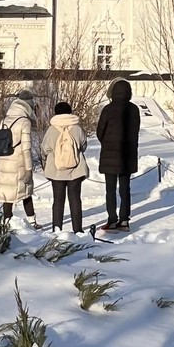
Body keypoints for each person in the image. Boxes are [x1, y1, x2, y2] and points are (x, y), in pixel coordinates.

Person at [95, 79, 140, 231]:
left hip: (109, 155)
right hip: (128, 155)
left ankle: (112, 220)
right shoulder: (134, 109)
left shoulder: (108, 109)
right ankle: (125, 220)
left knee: (110, 190)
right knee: (125, 189)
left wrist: (107, 143)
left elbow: (100, 132)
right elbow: (135, 131)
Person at [0, 89, 38, 226]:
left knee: (7, 194)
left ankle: (6, 221)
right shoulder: (24, 122)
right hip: (18, 163)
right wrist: (29, 169)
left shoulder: (4, 120)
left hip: (3, 161)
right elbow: (26, 149)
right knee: (26, 192)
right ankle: (32, 221)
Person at [41, 100, 88, 234]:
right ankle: (78, 230)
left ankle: (57, 229)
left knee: (58, 200)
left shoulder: (51, 129)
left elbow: (45, 148)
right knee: (75, 200)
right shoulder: (77, 128)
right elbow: (83, 146)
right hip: (76, 170)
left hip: (56, 171)